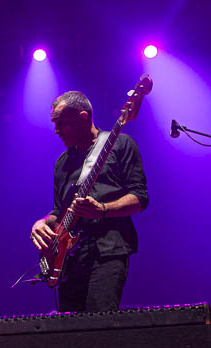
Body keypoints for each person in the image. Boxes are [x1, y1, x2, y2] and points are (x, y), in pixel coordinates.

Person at [30, 91, 148, 313]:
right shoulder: (62, 163)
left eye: (61, 124)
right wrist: (42, 223)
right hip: (69, 259)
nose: (56, 131)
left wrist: (103, 210)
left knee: (99, 326)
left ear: (83, 117)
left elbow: (140, 198)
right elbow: (59, 210)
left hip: (107, 251)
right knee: (71, 333)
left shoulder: (121, 144)